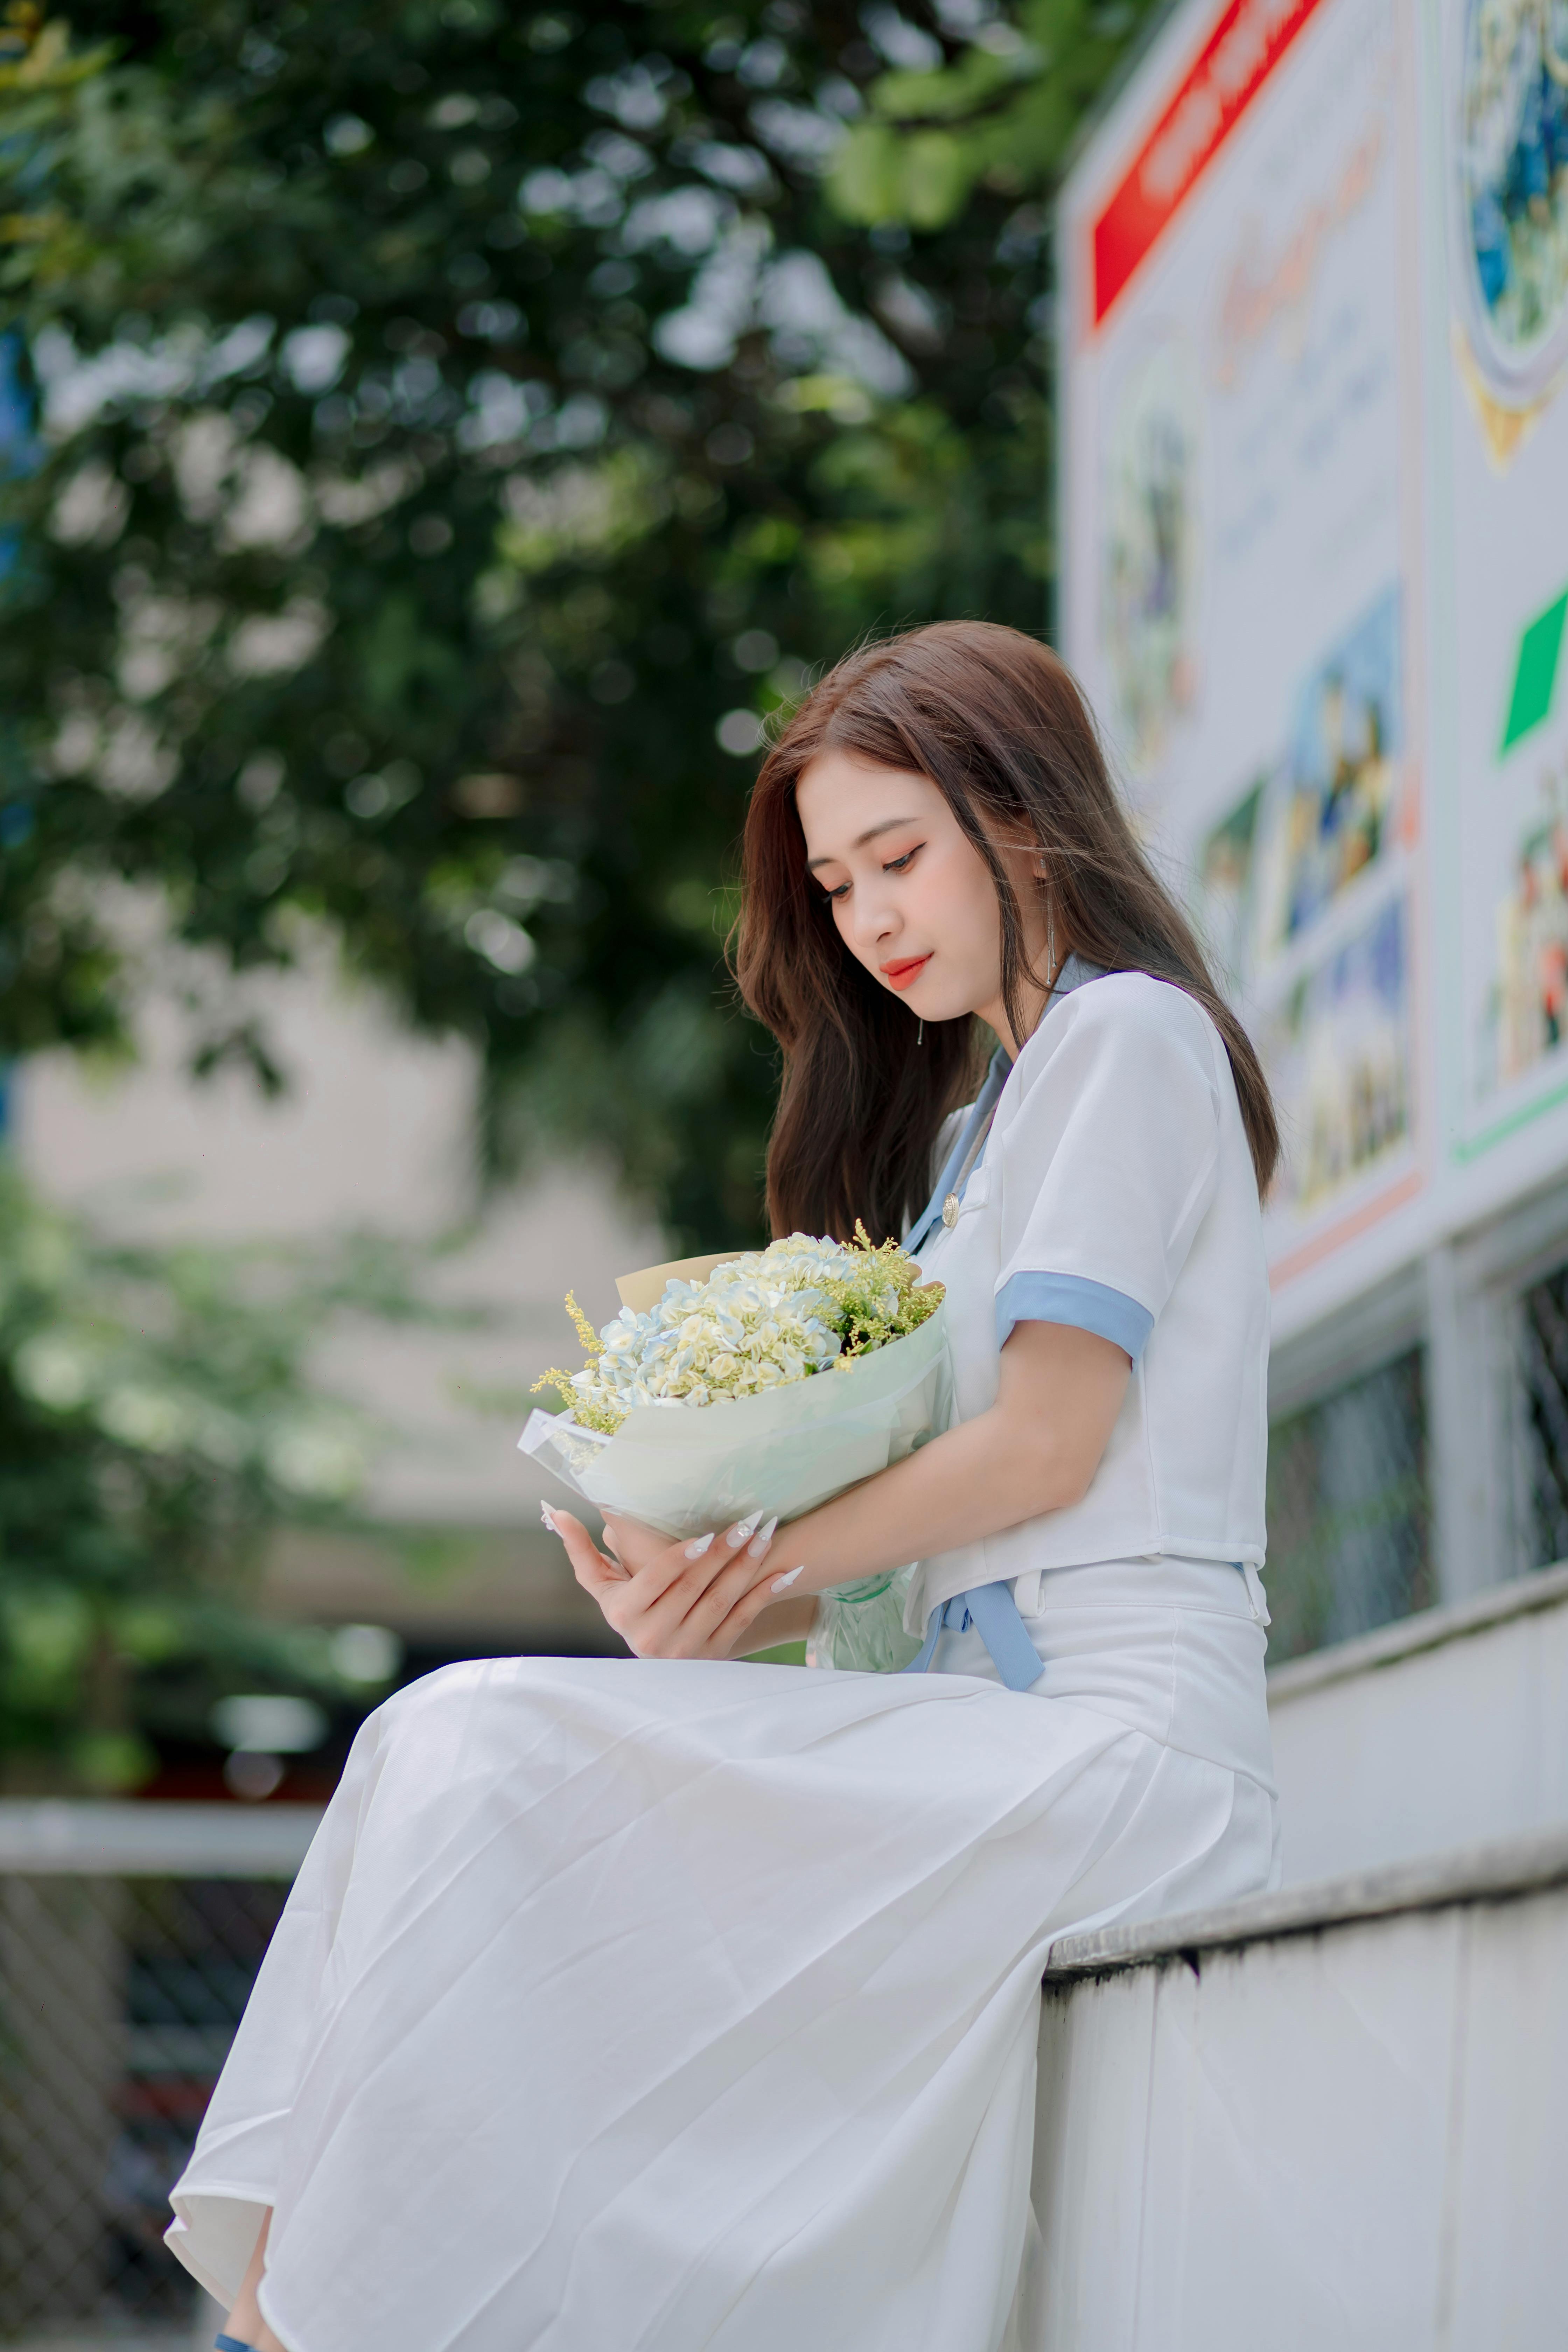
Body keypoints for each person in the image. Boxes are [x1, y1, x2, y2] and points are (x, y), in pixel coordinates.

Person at [168, 621, 1281, 2352]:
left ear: (1025, 810)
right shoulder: (973, 1140)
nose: (871, 919)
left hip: (1117, 1749)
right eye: (837, 887)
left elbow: (1048, 1451)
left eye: (898, 857)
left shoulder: (1131, 1040)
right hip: (974, 1740)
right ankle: (299, 2308)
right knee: (435, 1749)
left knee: (476, 1743)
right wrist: (712, 1599)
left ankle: (315, 2315)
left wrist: (761, 1572)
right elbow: (922, 1543)